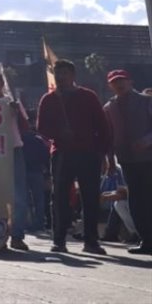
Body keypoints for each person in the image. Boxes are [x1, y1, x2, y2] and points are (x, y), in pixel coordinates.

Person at [37, 59, 110, 254]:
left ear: (72, 75)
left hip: (88, 153)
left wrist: (102, 153)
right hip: (61, 153)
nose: (61, 77)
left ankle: (91, 241)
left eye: (65, 73)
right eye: (58, 73)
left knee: (90, 197)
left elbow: (102, 126)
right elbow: (42, 127)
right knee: (60, 197)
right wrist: (59, 133)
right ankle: (59, 240)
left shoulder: (88, 96)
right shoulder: (49, 99)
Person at [103, 69, 152, 255]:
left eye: (122, 80)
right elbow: (108, 136)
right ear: (110, 86)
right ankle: (147, 240)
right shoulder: (109, 107)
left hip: (148, 158)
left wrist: (146, 141)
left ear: (130, 81)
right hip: (127, 160)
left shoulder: (147, 101)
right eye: (115, 82)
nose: (119, 84)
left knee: (148, 198)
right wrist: (109, 158)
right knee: (136, 201)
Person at [0, 69, 30, 250]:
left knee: (18, 196)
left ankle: (17, 236)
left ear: (2, 84)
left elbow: (26, 128)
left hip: (13, 150)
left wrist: (16, 112)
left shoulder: (11, 103)